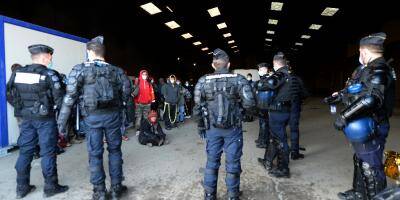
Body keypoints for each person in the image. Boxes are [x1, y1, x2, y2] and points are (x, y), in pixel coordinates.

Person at [57, 36, 131, 200]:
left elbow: (69, 98)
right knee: (115, 151)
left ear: (90, 51)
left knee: (95, 154)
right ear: (103, 53)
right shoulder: (117, 71)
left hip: (92, 118)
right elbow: (127, 92)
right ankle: (116, 189)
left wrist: (61, 124)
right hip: (113, 117)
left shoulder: (79, 69)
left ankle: (99, 192)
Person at [325, 32, 396, 200]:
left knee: (371, 167)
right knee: (360, 159)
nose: (359, 56)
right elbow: (355, 89)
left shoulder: (379, 69)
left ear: (364, 52)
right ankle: (358, 193)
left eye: (359, 53)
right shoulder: (364, 69)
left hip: (373, 123)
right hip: (362, 122)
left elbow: (371, 99)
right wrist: (338, 96)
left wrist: (344, 116)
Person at [7, 44, 69, 198]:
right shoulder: (49, 74)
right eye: (50, 56)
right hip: (45, 120)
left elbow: (9, 93)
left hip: (26, 119)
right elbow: (60, 100)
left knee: (25, 152)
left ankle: (22, 188)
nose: (50, 59)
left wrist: (22, 108)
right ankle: (50, 187)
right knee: (48, 153)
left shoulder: (18, 73)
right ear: (44, 57)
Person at [194, 48, 255, 200]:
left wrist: (201, 126)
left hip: (212, 130)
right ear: (229, 64)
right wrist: (244, 115)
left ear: (213, 65)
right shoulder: (239, 79)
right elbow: (250, 103)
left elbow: (197, 107)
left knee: (212, 162)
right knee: (233, 162)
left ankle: (209, 195)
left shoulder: (203, 81)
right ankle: (233, 195)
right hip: (233, 129)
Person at [259, 52, 297, 178]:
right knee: (274, 139)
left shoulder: (280, 73)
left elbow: (267, 85)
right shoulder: (290, 74)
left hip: (278, 112)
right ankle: (268, 161)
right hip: (286, 110)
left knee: (280, 141)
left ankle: (283, 168)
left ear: (275, 64)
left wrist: (263, 76)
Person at [288, 68, 309, 160]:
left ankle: (282, 154)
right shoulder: (297, 79)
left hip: (279, 109)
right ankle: (294, 153)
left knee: (280, 133)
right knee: (294, 130)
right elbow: (305, 93)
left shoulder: (277, 79)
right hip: (294, 106)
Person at [254, 63, 272, 149]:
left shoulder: (269, 79)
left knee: (264, 124)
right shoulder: (263, 79)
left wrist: (257, 85)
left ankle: (264, 142)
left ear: (265, 69)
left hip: (266, 105)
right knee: (262, 123)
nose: (259, 71)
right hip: (261, 105)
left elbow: (259, 86)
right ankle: (261, 139)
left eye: (260, 70)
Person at [132, 70, 155, 135]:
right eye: (143, 74)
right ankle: (138, 130)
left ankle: (146, 129)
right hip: (139, 104)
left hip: (147, 104)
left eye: (145, 74)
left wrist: (152, 99)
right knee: (138, 118)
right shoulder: (138, 83)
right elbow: (134, 93)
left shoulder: (149, 84)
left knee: (146, 117)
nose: (144, 75)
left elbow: (152, 92)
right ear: (141, 75)